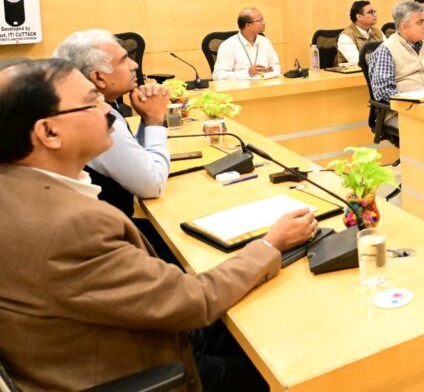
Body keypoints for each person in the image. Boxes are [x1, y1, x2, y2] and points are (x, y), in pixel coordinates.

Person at [0, 59, 316, 392]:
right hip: (140, 364)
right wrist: (270, 243)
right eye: (92, 102)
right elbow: (195, 301)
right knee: (291, 365)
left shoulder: (15, 188)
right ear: (48, 132)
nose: (109, 111)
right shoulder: (74, 226)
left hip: (112, 329)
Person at [52, 29, 171, 217]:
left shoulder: (85, 105)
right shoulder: (93, 116)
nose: (134, 65)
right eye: (124, 60)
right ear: (99, 77)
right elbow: (152, 185)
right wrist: (155, 121)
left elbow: (136, 162)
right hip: (107, 228)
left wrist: (147, 118)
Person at [368, 0, 424, 127]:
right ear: (404, 27)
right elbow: (383, 92)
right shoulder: (387, 49)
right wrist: (414, 98)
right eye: (420, 22)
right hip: (400, 112)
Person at [212, 7, 281, 80]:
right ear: (248, 25)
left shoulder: (265, 42)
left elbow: (276, 67)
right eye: (259, 20)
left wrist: (270, 72)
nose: (263, 23)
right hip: (239, 86)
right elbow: (218, 76)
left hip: (265, 84)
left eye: (263, 19)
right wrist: (247, 73)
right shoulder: (228, 46)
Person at [337, 0, 384, 65]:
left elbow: (390, 52)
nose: (375, 15)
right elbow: (358, 62)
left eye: (374, 12)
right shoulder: (345, 36)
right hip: (356, 71)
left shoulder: (377, 31)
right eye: (370, 12)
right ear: (359, 17)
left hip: (376, 69)